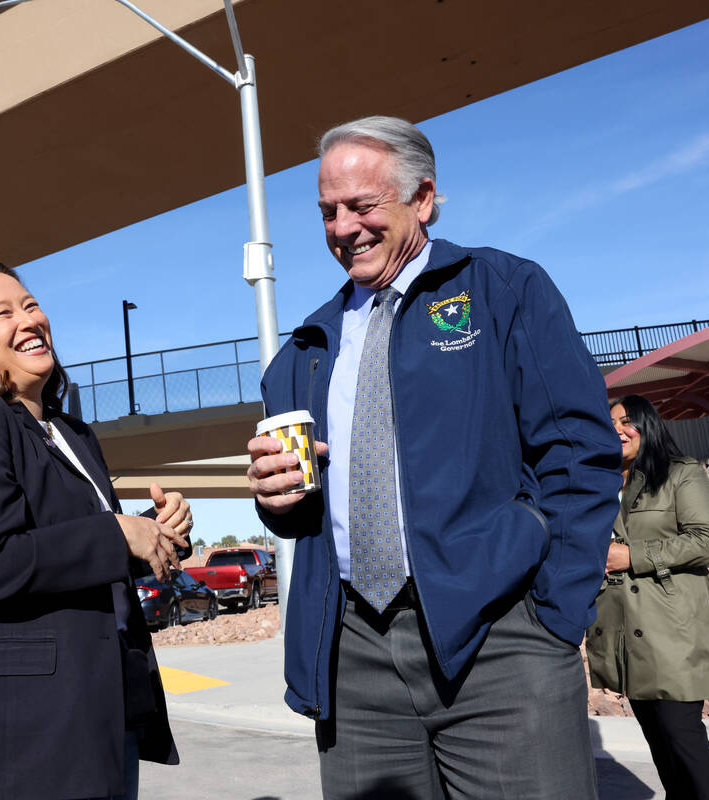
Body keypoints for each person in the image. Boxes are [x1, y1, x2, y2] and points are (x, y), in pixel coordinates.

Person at [246, 115, 622, 799]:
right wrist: (275, 499)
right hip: (354, 660)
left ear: (422, 199)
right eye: (328, 211)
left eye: (362, 206)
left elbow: (579, 455)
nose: (342, 228)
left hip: (502, 639)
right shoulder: (303, 353)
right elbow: (303, 517)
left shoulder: (503, 290)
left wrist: (554, 616)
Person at [0, 261, 191, 800]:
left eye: (31, 305)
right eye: (3, 313)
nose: (29, 320)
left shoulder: (72, 433)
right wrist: (116, 534)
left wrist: (156, 534)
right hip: (31, 734)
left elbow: (76, 551)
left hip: (101, 709)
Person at [587, 394, 709, 799]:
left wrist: (633, 556)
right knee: (662, 747)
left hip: (672, 631)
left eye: (627, 421)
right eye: (610, 422)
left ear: (647, 425)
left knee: (683, 740)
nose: (617, 429)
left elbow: (706, 540)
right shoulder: (603, 482)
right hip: (623, 631)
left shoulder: (681, 474)